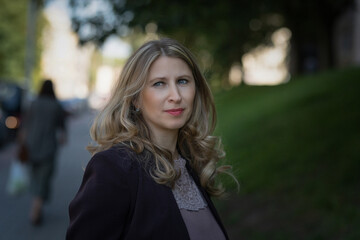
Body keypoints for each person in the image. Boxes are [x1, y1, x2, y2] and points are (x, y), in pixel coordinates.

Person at [66, 38, 234, 240]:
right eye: (159, 83)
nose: (176, 95)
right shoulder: (114, 168)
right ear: (135, 98)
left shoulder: (191, 164)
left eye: (183, 81)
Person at [21, 79, 67, 225]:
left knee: (35, 177)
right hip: (48, 148)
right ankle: (35, 212)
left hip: (31, 147)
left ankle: (37, 207)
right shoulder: (56, 106)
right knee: (44, 179)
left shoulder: (34, 104)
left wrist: (21, 142)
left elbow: (25, 125)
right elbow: (62, 128)